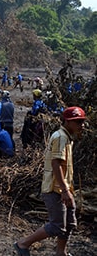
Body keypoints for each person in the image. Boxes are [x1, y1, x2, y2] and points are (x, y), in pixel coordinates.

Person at [14, 107, 86, 256]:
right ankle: (23, 243)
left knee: (70, 223)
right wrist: (64, 191)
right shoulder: (61, 137)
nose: (81, 125)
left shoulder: (68, 137)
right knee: (57, 226)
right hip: (55, 189)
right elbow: (56, 164)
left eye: (82, 121)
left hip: (64, 187)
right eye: (77, 122)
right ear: (66, 122)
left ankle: (61, 252)